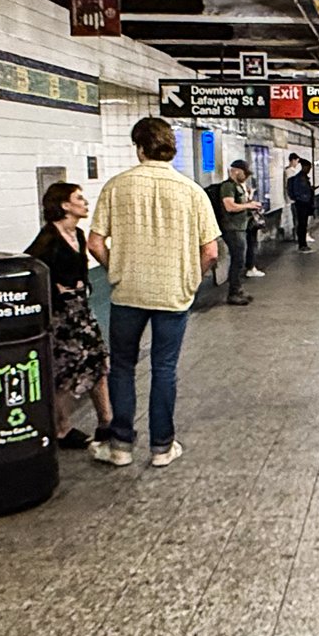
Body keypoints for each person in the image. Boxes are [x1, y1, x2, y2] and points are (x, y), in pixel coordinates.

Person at [90, 117, 220, 467]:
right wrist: (191, 279)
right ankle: (162, 447)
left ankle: (120, 446)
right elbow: (211, 252)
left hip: (127, 293)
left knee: (122, 367)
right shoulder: (192, 191)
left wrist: (116, 270)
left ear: (140, 148)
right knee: (164, 368)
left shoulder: (116, 186)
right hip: (173, 293)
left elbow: (95, 243)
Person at [27, 179, 111, 447]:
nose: (85, 203)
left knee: (98, 362)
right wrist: (55, 289)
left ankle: (106, 422)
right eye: (79, 199)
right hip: (61, 317)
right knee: (65, 372)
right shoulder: (48, 239)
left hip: (81, 310)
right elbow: (30, 269)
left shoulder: (80, 235)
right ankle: (61, 428)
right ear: (65, 205)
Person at [206, 159, 261, 304]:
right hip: (232, 228)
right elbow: (229, 206)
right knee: (238, 260)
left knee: (240, 260)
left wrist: (250, 201)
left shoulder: (238, 186)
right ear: (235, 171)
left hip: (240, 227)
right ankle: (233, 293)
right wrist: (249, 206)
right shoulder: (228, 186)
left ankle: (238, 289)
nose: (246, 176)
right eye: (245, 173)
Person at [284, 153, 317, 250]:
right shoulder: (298, 178)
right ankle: (302, 244)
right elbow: (296, 191)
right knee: (301, 224)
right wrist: (301, 198)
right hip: (302, 204)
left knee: (303, 224)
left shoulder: (302, 177)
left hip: (303, 203)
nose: (309, 170)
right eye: (308, 168)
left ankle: (303, 243)